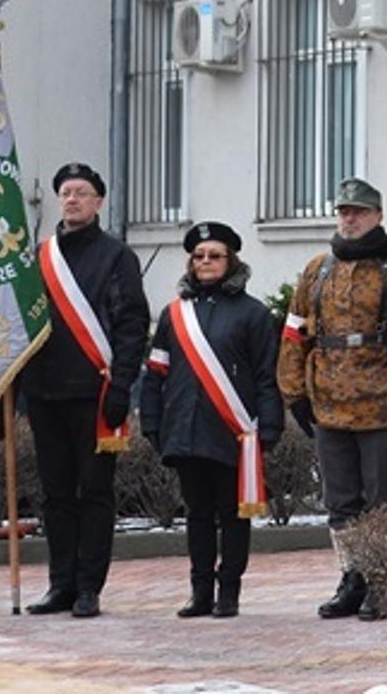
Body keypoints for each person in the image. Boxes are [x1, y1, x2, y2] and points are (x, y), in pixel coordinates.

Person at [279, 177, 387, 621]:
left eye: (359, 211)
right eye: (344, 211)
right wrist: (294, 393)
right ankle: (352, 577)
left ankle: (380, 584)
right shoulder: (317, 270)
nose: (349, 218)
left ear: (378, 216)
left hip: (381, 403)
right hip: (327, 403)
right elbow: (294, 333)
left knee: (382, 503)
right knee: (340, 502)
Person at [20, 162, 150, 619]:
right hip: (44, 391)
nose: (71, 200)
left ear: (98, 201)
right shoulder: (39, 256)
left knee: (94, 492)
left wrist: (122, 386)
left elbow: (132, 326)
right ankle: (60, 583)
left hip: (94, 394)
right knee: (55, 493)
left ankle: (89, 586)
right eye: (65, 193)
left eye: (81, 192)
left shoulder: (116, 257)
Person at [142, 221, 284, 618]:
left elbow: (266, 376)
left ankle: (229, 593)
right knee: (197, 515)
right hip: (185, 431)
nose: (206, 262)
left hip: (233, 433)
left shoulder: (253, 314)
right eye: (199, 256)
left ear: (231, 260)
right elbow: (156, 373)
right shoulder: (174, 315)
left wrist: (270, 426)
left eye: (215, 255)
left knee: (233, 515)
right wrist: (152, 422)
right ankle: (199, 591)